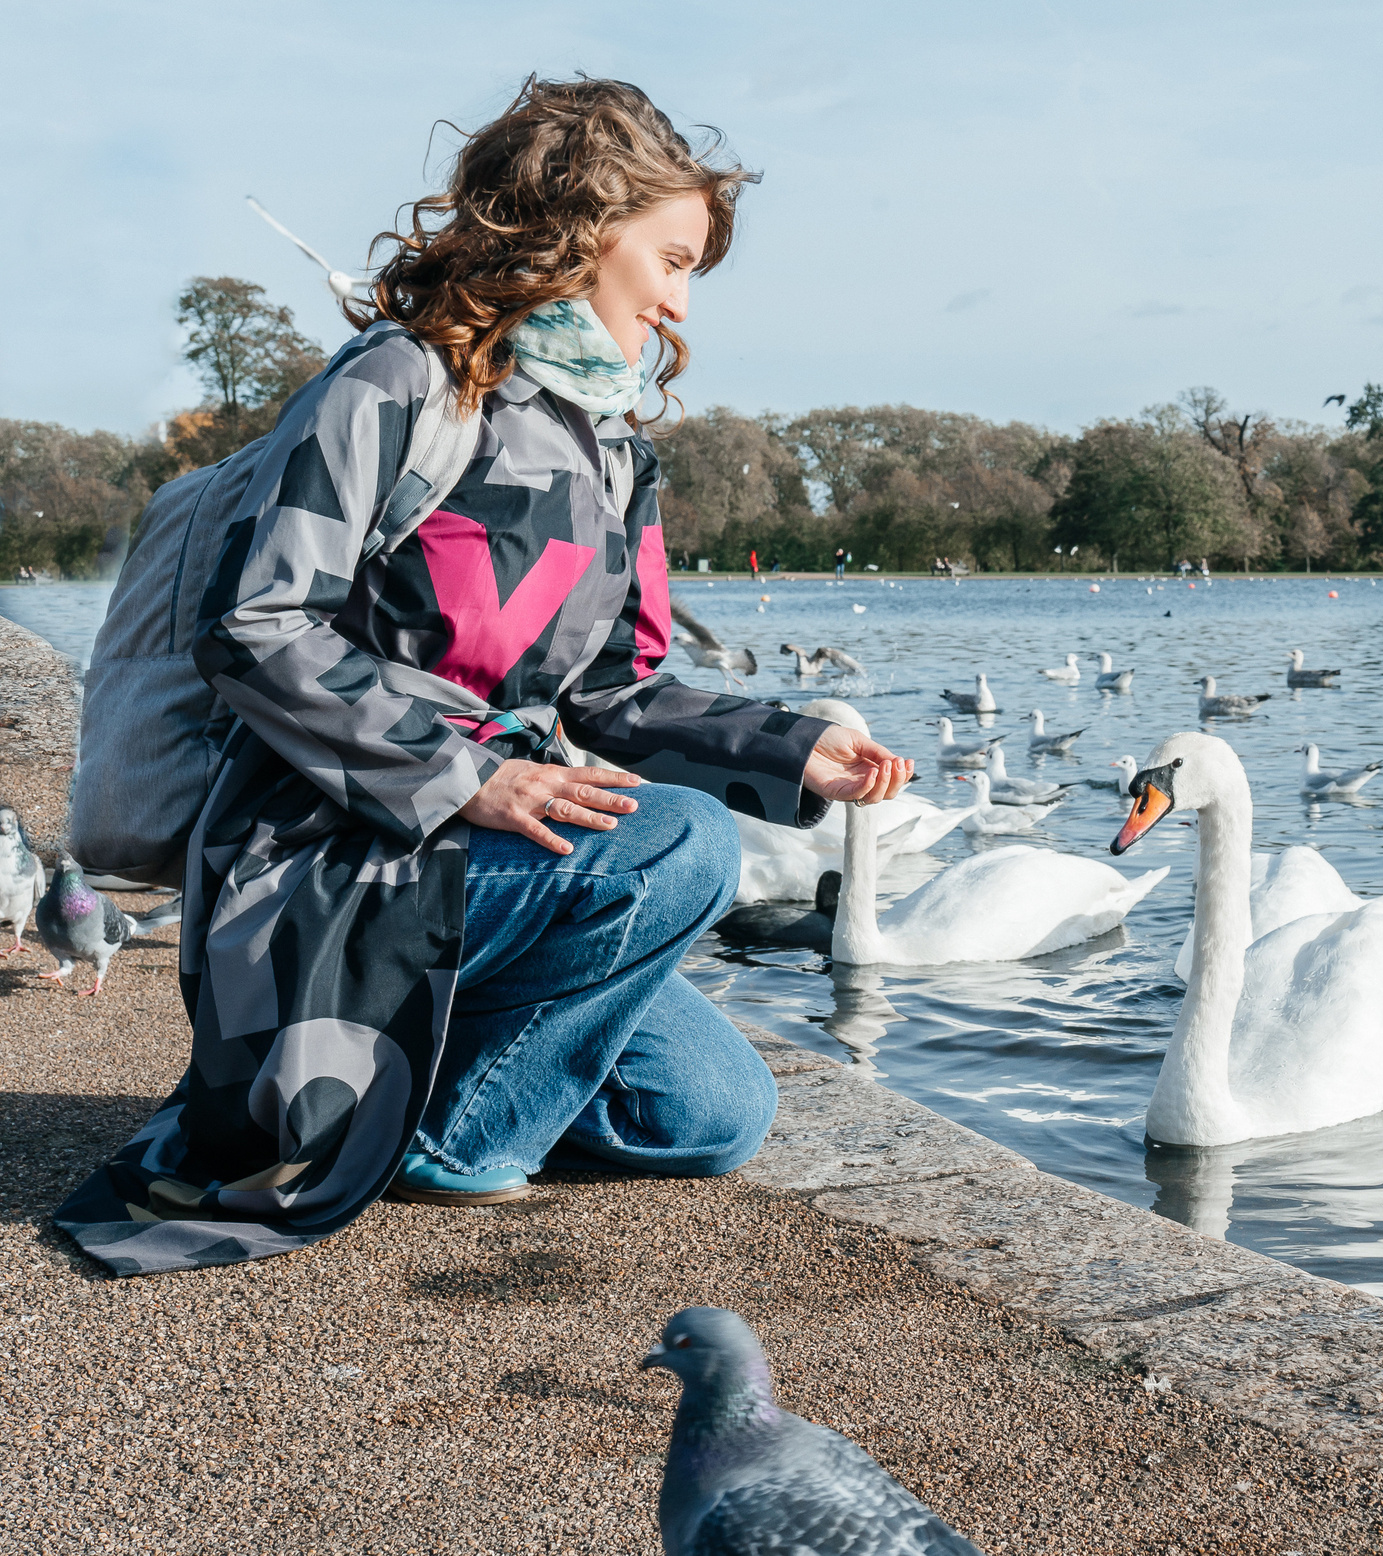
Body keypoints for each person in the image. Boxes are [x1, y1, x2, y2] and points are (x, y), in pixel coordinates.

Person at [58, 76, 913, 1278]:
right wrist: (465, 778)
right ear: (580, 229)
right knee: (682, 846)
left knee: (711, 1116)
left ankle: (387, 1081)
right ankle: (444, 1142)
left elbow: (614, 693)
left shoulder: (617, 453)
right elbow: (254, 627)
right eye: (672, 261)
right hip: (319, 861)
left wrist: (789, 745)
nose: (680, 303)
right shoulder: (394, 385)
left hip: (486, 867)